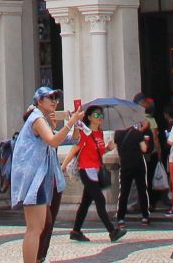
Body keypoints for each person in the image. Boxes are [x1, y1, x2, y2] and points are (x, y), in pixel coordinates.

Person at [12, 88, 79, 263]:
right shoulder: (36, 118)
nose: (54, 100)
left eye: (56, 97)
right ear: (39, 101)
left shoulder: (43, 121)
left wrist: (76, 125)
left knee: (41, 225)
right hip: (34, 179)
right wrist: (70, 122)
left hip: (41, 179)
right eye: (50, 97)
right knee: (35, 228)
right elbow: (53, 141)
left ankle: (37, 259)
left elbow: (69, 139)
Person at [61, 104, 123, 243]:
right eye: (96, 115)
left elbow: (98, 153)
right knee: (100, 200)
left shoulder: (99, 133)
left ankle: (76, 231)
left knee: (85, 203)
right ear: (88, 117)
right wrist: (63, 167)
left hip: (96, 171)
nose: (100, 117)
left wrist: (108, 148)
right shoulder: (84, 133)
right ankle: (112, 231)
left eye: (101, 115)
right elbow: (74, 150)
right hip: (86, 171)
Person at [115, 100, 156, 226]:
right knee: (142, 190)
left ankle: (121, 218)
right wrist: (147, 142)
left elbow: (117, 148)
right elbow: (144, 149)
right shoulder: (137, 133)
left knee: (124, 192)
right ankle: (145, 217)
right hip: (138, 164)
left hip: (125, 164)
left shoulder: (118, 133)